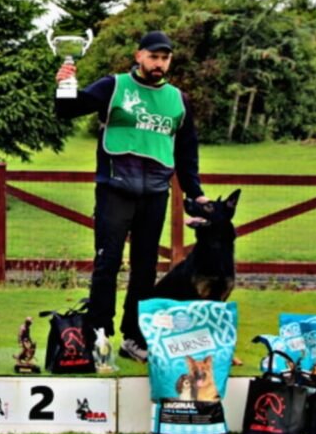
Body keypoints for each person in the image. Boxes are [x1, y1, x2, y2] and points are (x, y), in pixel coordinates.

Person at [54, 30, 207, 363]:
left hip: (155, 193)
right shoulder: (114, 86)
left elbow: (186, 153)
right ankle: (98, 335)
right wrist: (65, 83)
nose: (159, 63)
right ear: (139, 56)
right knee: (107, 264)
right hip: (115, 189)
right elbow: (69, 110)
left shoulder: (178, 101)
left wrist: (195, 195)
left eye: (165, 58)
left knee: (145, 269)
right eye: (153, 56)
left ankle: (134, 337)